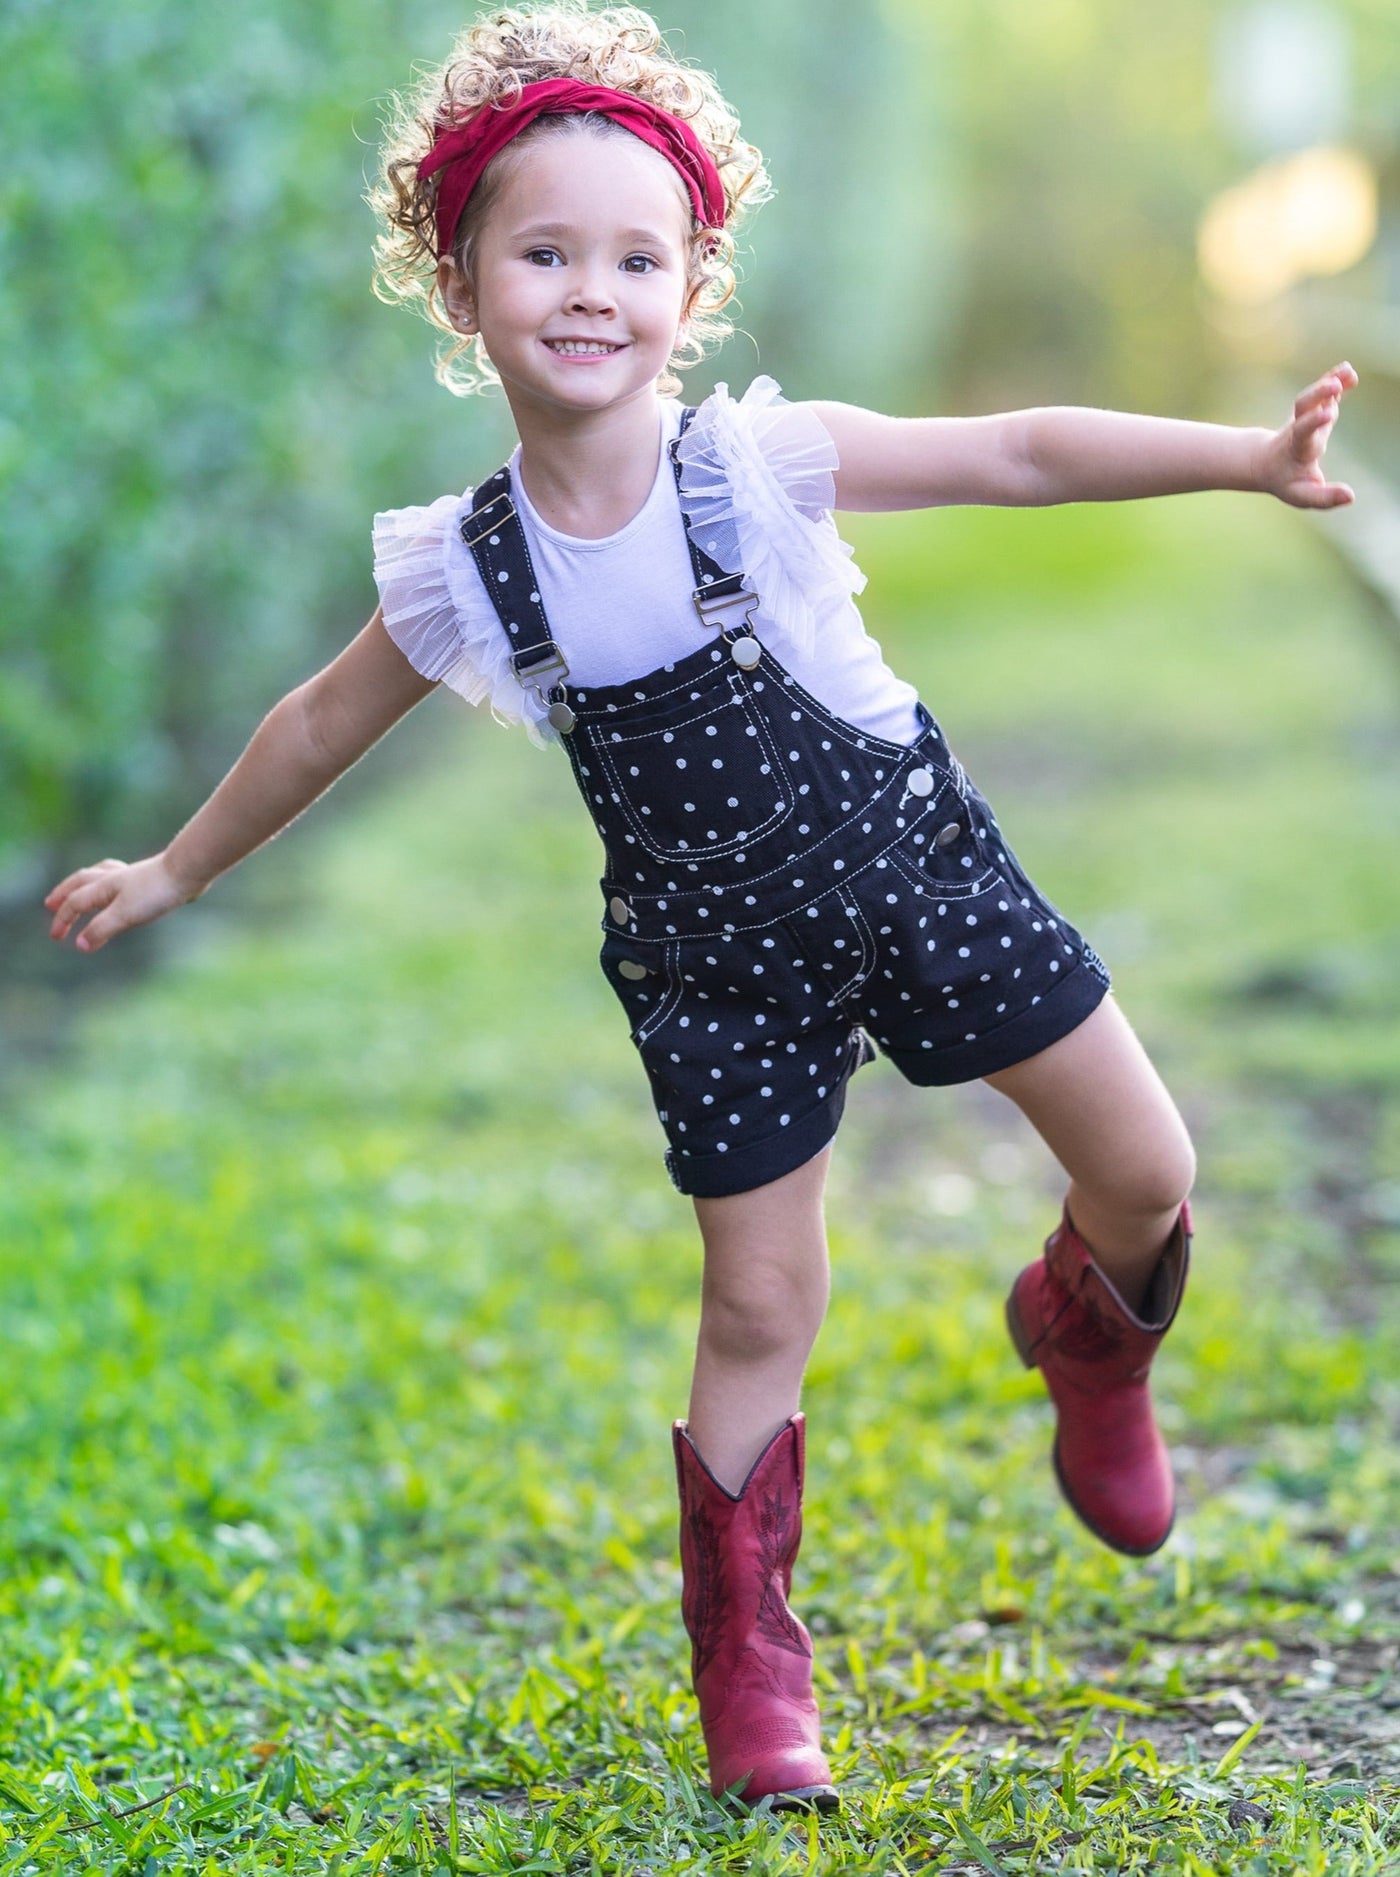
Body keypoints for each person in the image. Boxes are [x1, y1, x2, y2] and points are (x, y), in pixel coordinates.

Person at [43, 0, 1358, 1817]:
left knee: (1147, 1170)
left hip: (918, 869)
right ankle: (749, 1650)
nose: (592, 290)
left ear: (693, 281)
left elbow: (1021, 452)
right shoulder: (470, 571)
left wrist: (1241, 459)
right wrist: (179, 864)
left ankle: (1083, 1330)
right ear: (466, 279)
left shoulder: (756, 463)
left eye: (636, 256)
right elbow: (318, 720)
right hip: (713, 962)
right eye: (546, 252)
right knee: (758, 1299)